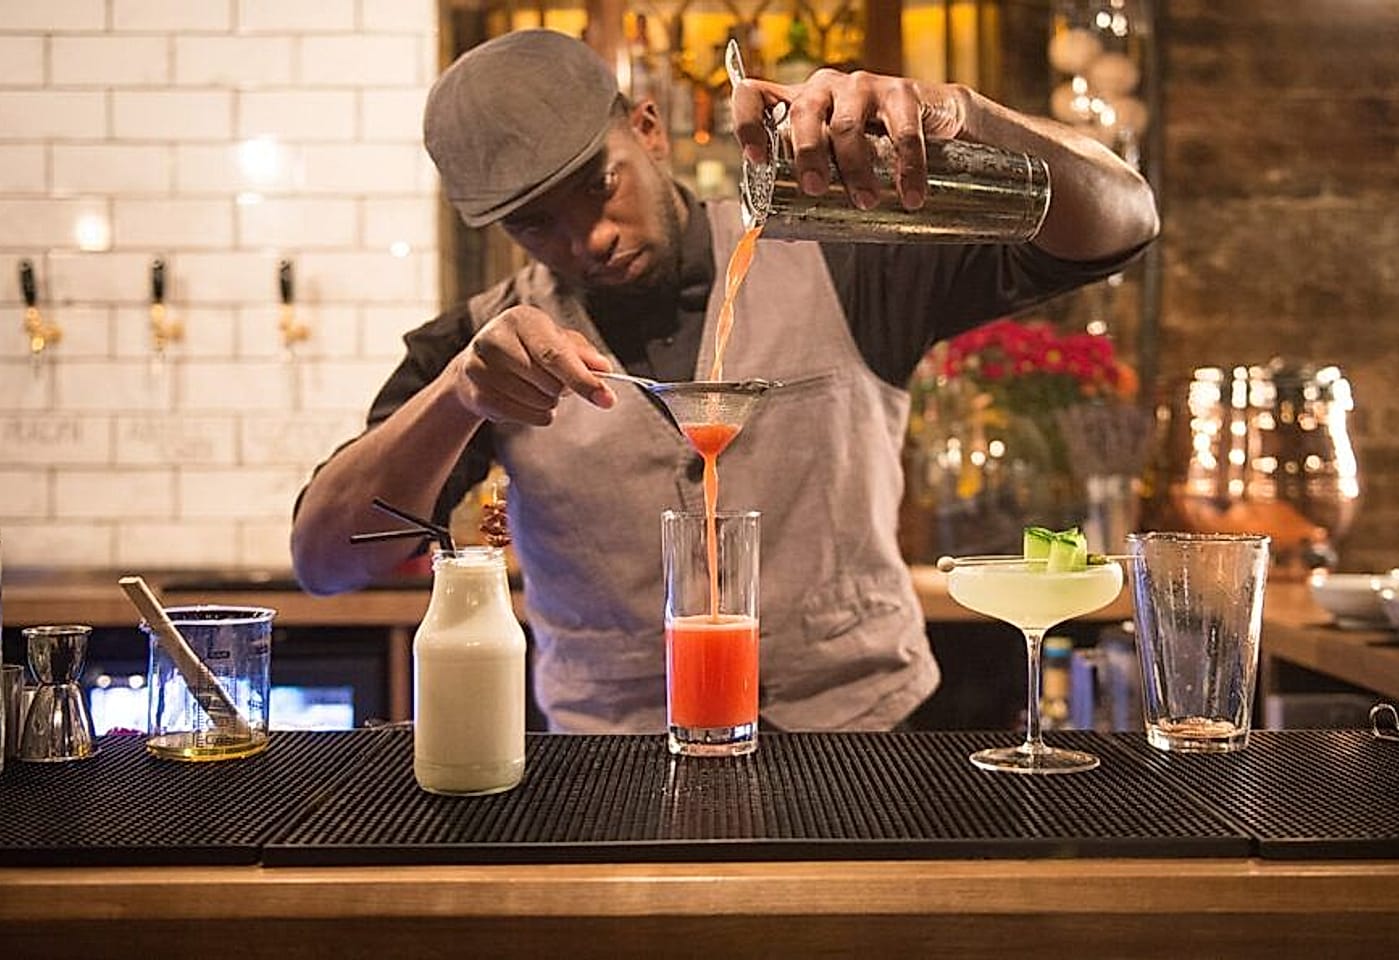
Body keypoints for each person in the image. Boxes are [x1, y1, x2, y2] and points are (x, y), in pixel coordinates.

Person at [291, 29, 1158, 733]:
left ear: (648, 128)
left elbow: (1121, 222)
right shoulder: (485, 346)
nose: (585, 239)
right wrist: (454, 398)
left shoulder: (849, 260)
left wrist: (958, 115)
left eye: (601, 187)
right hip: (611, 772)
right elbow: (328, 563)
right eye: (535, 225)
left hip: (865, 743)